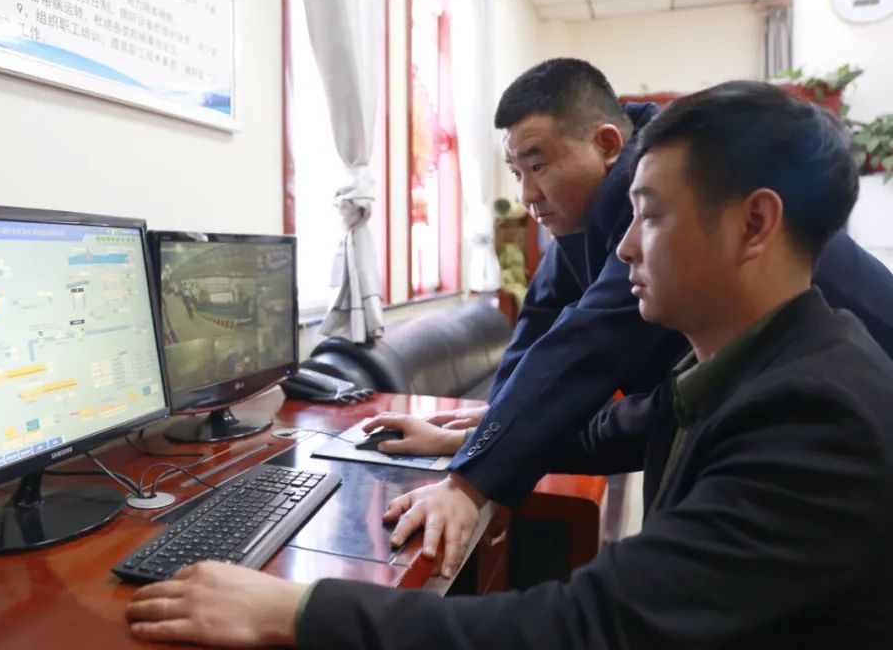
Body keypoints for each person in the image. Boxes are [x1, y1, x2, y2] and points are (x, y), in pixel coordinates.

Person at [124, 81, 893, 649]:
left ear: (755, 224)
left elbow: (587, 626)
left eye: (652, 216)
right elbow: (596, 395)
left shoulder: (814, 419)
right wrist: (472, 435)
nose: (626, 247)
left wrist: (294, 610)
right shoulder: (755, 369)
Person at [359, 59, 893, 581]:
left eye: (538, 167)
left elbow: (585, 344)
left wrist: (469, 482)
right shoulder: (603, 199)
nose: (526, 195)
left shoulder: (823, 397)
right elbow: (545, 321)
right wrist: (487, 433)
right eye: (517, 173)